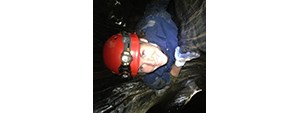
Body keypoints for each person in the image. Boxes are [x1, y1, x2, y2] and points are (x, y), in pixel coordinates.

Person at [103, 0, 203, 90]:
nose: (151, 62)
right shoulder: (151, 79)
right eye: (141, 67)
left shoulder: (156, 18)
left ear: (143, 41)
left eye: (143, 53)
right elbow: (170, 80)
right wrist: (179, 63)